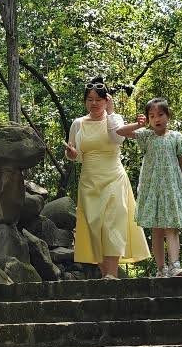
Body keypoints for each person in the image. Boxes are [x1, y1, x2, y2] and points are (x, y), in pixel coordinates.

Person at [64, 79, 151, 279]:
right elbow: (75, 155)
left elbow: (117, 137)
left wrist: (111, 113)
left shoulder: (115, 119)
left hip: (114, 177)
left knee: (113, 224)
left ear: (106, 100)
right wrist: (71, 153)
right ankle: (106, 275)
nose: (94, 103)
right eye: (90, 99)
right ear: (85, 101)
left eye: (98, 99)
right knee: (94, 227)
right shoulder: (78, 123)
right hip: (89, 180)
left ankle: (111, 273)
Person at [118, 98, 182, 277]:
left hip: (171, 188)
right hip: (151, 189)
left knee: (172, 227)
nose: (156, 119)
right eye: (151, 116)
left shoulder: (176, 137)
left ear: (168, 115)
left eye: (160, 114)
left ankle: (175, 265)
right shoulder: (146, 136)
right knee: (157, 230)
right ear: (148, 119)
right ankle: (161, 269)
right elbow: (120, 131)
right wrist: (138, 124)